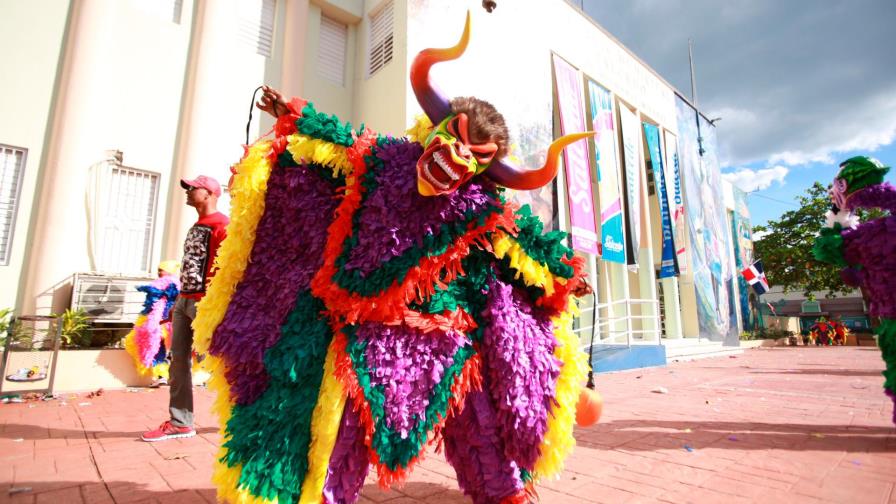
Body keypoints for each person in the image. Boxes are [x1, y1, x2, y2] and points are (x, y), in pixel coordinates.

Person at [142, 175, 229, 442]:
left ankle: (249, 418)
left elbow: (228, 268)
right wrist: (178, 302)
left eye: (193, 188)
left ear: (211, 193)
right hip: (183, 301)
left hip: (206, 303)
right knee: (178, 361)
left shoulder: (224, 226)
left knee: (225, 363)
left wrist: (216, 306)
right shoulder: (196, 226)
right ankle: (181, 422)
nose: (188, 192)